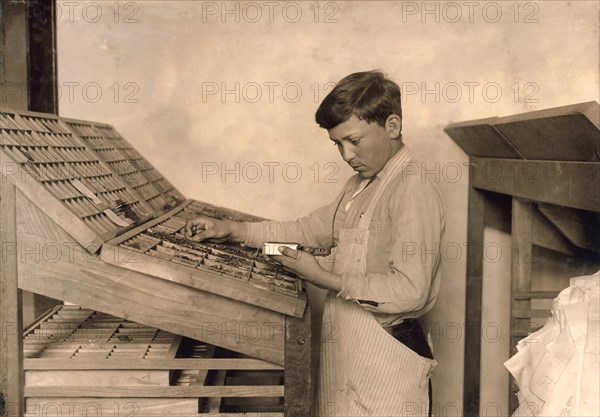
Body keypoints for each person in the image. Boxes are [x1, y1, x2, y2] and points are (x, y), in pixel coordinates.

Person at [185, 70, 445, 416]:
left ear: (392, 126)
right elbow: (308, 230)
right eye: (338, 144)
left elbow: (410, 288)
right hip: (349, 350)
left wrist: (324, 277)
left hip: (388, 355)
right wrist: (230, 230)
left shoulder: (413, 188)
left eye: (354, 140)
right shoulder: (361, 185)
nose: (346, 154)